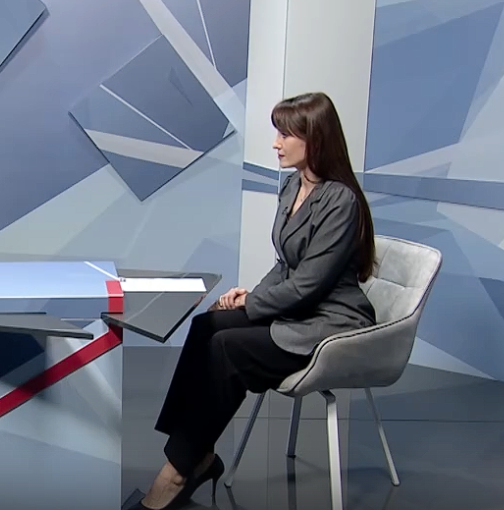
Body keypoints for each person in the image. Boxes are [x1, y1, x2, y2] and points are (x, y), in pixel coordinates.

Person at [132, 92, 377, 510]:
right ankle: (198, 455)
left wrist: (253, 305)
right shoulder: (293, 186)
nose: (276, 143)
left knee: (226, 348)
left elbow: (309, 285)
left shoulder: (340, 200)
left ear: (315, 138)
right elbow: (286, 265)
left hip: (329, 322)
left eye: (286, 134)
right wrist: (251, 295)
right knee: (207, 325)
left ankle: (176, 473)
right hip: (298, 309)